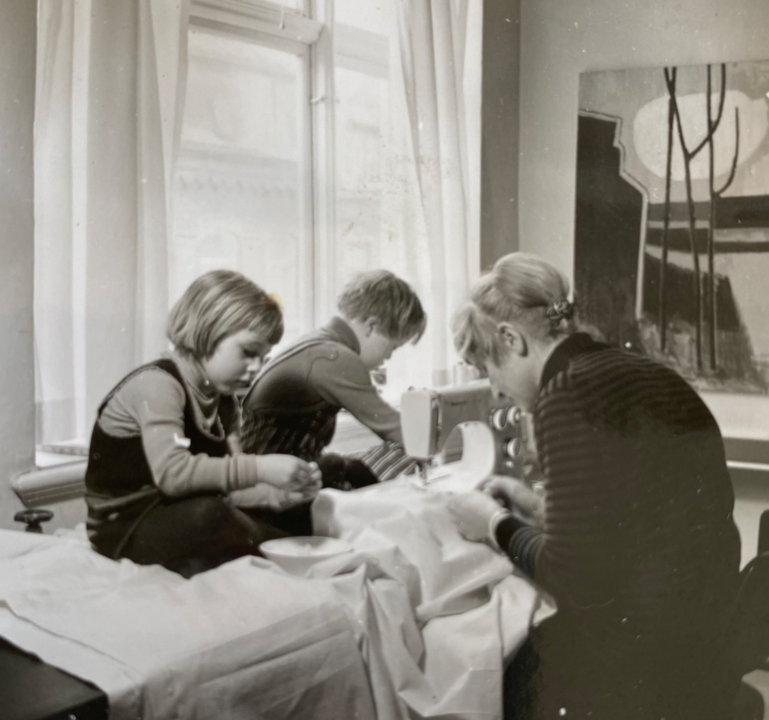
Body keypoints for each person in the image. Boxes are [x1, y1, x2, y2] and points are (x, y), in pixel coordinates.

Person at [447, 252, 741, 720]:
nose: (496, 389)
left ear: (510, 338)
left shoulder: (564, 393)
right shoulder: (642, 371)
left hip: (645, 656)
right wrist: (538, 510)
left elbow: (573, 577)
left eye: (488, 369)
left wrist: (494, 523)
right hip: (707, 629)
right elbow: (645, 511)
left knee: (484, 670)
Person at [85, 270, 322, 578]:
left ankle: (282, 551)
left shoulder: (224, 400)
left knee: (291, 505)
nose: (255, 368)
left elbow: (229, 486)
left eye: (263, 358)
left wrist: (278, 498)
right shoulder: (158, 384)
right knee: (210, 516)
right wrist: (262, 469)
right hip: (123, 527)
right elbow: (173, 474)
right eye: (248, 352)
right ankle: (290, 557)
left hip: (178, 512)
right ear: (207, 331)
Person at [241, 270, 426, 488]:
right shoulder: (335, 357)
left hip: (268, 463)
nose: (388, 357)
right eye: (392, 347)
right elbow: (394, 427)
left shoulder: (317, 343)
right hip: (270, 476)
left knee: (354, 470)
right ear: (371, 326)